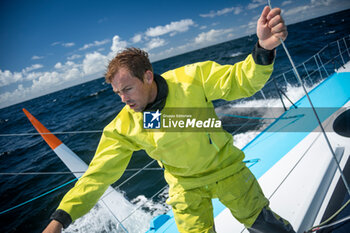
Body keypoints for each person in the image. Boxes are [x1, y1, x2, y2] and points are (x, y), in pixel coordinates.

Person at [43, 6, 293, 233]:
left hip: (226, 169)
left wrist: (263, 48)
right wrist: (60, 220)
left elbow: (242, 81)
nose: (123, 100)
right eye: (118, 93)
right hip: (185, 186)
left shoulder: (193, 78)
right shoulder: (124, 126)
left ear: (148, 76)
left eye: (127, 89)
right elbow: (97, 175)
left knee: (266, 226)